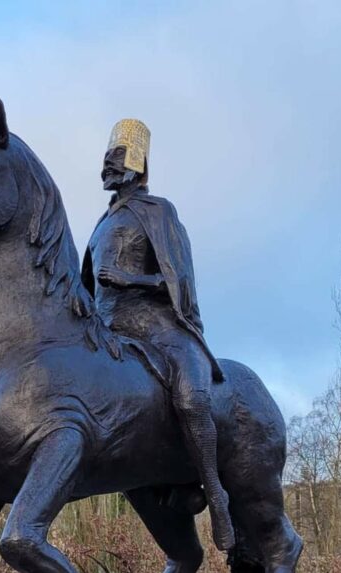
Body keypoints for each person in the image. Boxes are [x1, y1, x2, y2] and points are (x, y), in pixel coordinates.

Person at [81, 119, 234, 550]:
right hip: (108, 330)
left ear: (137, 164)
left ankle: (215, 495)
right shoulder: (100, 224)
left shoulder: (159, 212)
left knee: (190, 394)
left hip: (157, 326)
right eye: (104, 161)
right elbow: (87, 286)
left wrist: (129, 279)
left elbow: (180, 280)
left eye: (114, 160)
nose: (105, 169)